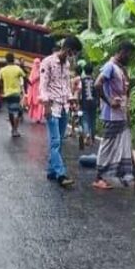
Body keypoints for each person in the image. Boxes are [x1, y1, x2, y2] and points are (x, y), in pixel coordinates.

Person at [92, 41, 135, 190]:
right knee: (107, 145)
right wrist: (109, 101)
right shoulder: (110, 66)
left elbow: (126, 92)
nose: (130, 57)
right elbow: (97, 84)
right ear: (122, 52)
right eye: (129, 54)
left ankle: (127, 175)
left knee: (124, 144)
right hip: (111, 115)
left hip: (121, 114)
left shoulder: (121, 69)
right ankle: (98, 177)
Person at [39, 36, 82, 188]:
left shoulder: (67, 64)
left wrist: (71, 100)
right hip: (52, 106)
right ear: (68, 49)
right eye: (73, 53)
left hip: (64, 106)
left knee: (59, 141)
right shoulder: (48, 62)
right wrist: (46, 106)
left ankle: (51, 170)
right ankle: (61, 174)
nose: (73, 56)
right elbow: (43, 86)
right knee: (55, 141)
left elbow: (66, 85)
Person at [0, 52, 26, 137]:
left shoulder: (2, 70)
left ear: (6, 60)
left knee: (10, 112)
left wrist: (1, 91)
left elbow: (0, 81)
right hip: (16, 93)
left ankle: (13, 129)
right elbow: (24, 76)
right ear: (13, 59)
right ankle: (15, 130)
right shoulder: (17, 68)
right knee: (17, 112)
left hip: (7, 94)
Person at [78, 63, 98, 146]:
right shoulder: (95, 80)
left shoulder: (82, 81)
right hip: (93, 103)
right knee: (93, 121)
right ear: (92, 71)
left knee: (85, 120)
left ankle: (87, 135)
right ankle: (93, 139)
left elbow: (79, 92)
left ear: (84, 71)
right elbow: (97, 92)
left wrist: (78, 102)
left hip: (84, 103)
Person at [26, 58, 44, 123]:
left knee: (40, 103)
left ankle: (38, 118)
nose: (37, 64)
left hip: (40, 89)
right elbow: (31, 80)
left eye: (38, 63)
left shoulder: (42, 70)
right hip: (34, 90)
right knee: (34, 104)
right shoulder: (33, 71)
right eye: (36, 63)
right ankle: (36, 117)